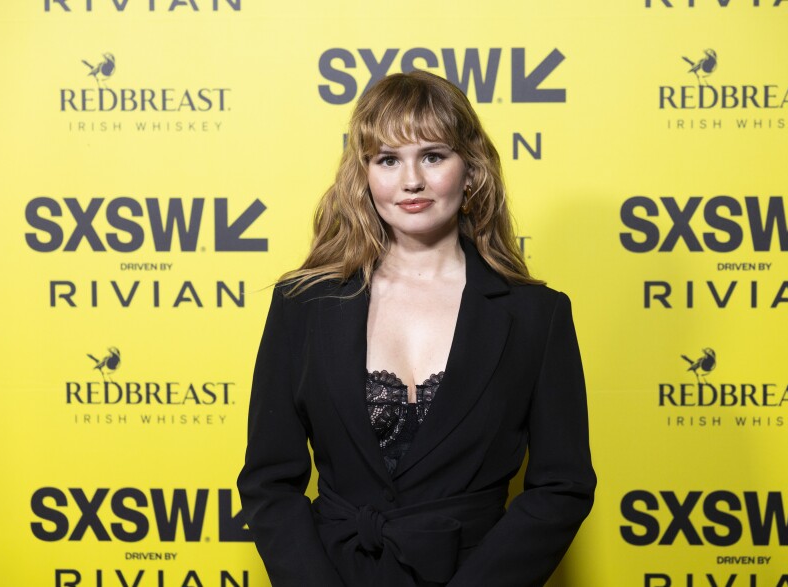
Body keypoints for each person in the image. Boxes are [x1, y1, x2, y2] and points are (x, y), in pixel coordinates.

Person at [238, 70, 596, 587]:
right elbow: (270, 482)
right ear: (364, 176)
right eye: (388, 159)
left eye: (432, 155)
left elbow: (562, 487)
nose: (412, 181)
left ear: (470, 170)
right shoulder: (303, 305)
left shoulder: (536, 316)